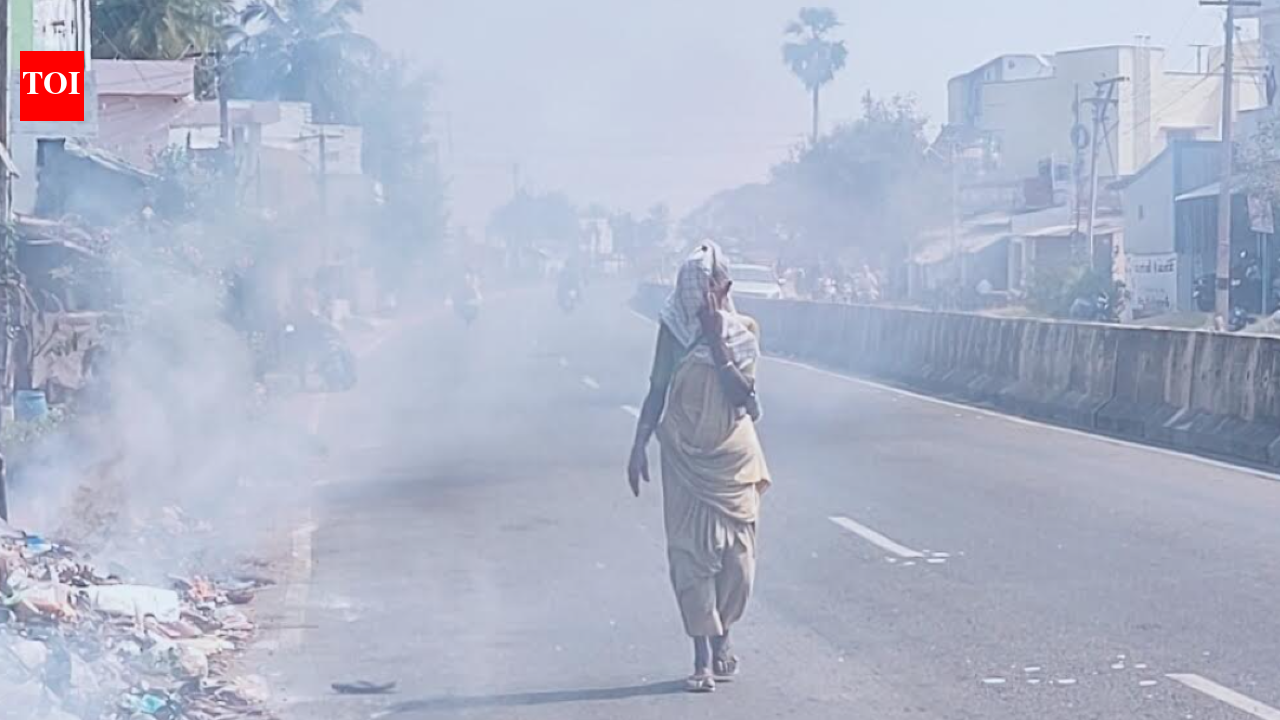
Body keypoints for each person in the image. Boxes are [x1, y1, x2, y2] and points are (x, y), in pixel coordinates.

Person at [627, 242, 771, 693]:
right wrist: (638, 443)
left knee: (738, 564)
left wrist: (714, 338)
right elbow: (657, 389)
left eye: (708, 289)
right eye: (692, 291)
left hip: (734, 460)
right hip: (683, 455)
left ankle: (723, 633)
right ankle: (702, 656)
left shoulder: (744, 330)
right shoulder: (671, 332)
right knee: (690, 559)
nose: (699, 299)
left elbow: (743, 395)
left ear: (723, 289)